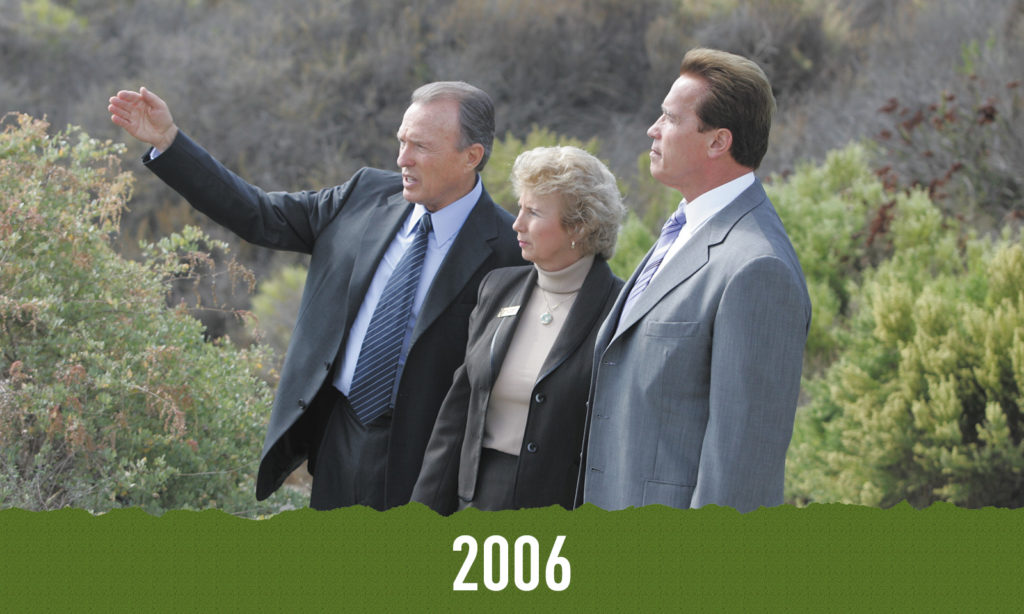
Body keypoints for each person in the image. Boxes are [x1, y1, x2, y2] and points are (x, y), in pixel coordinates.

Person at [107, 82, 524, 510]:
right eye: (401, 141)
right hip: (338, 435)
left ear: (471, 156)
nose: (403, 159)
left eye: (420, 146)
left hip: (429, 463)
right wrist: (169, 141)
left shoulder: (512, 252)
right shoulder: (363, 196)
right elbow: (259, 215)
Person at [582, 48, 812, 513]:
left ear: (717, 142)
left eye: (670, 117)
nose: (653, 129)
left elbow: (742, 472)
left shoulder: (757, 269)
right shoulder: (684, 228)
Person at [411, 146, 625, 514]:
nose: (517, 224)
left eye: (534, 212)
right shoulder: (497, 288)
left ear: (580, 225)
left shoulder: (622, 308)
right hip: (475, 505)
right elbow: (457, 414)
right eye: (520, 207)